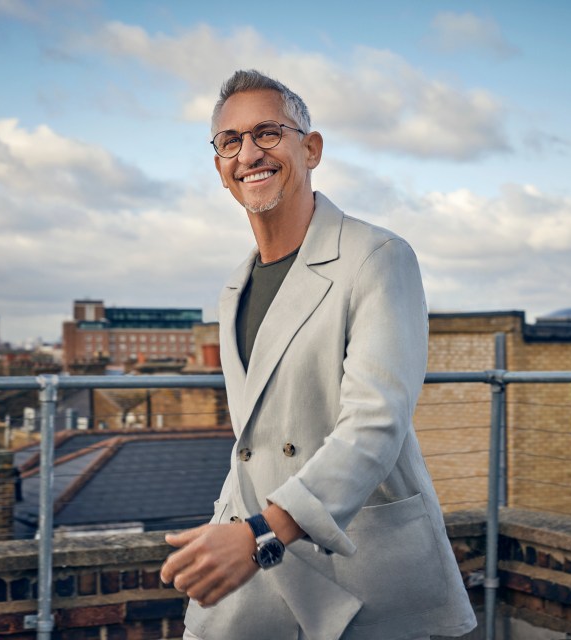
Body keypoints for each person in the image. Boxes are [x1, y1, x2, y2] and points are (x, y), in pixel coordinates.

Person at [160, 69, 477, 640]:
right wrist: (224, 529)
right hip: (260, 566)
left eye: (267, 133)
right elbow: (253, 446)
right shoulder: (234, 288)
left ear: (311, 148)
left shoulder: (377, 256)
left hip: (361, 567)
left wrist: (261, 532)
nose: (249, 152)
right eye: (230, 141)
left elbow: (375, 426)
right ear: (220, 170)